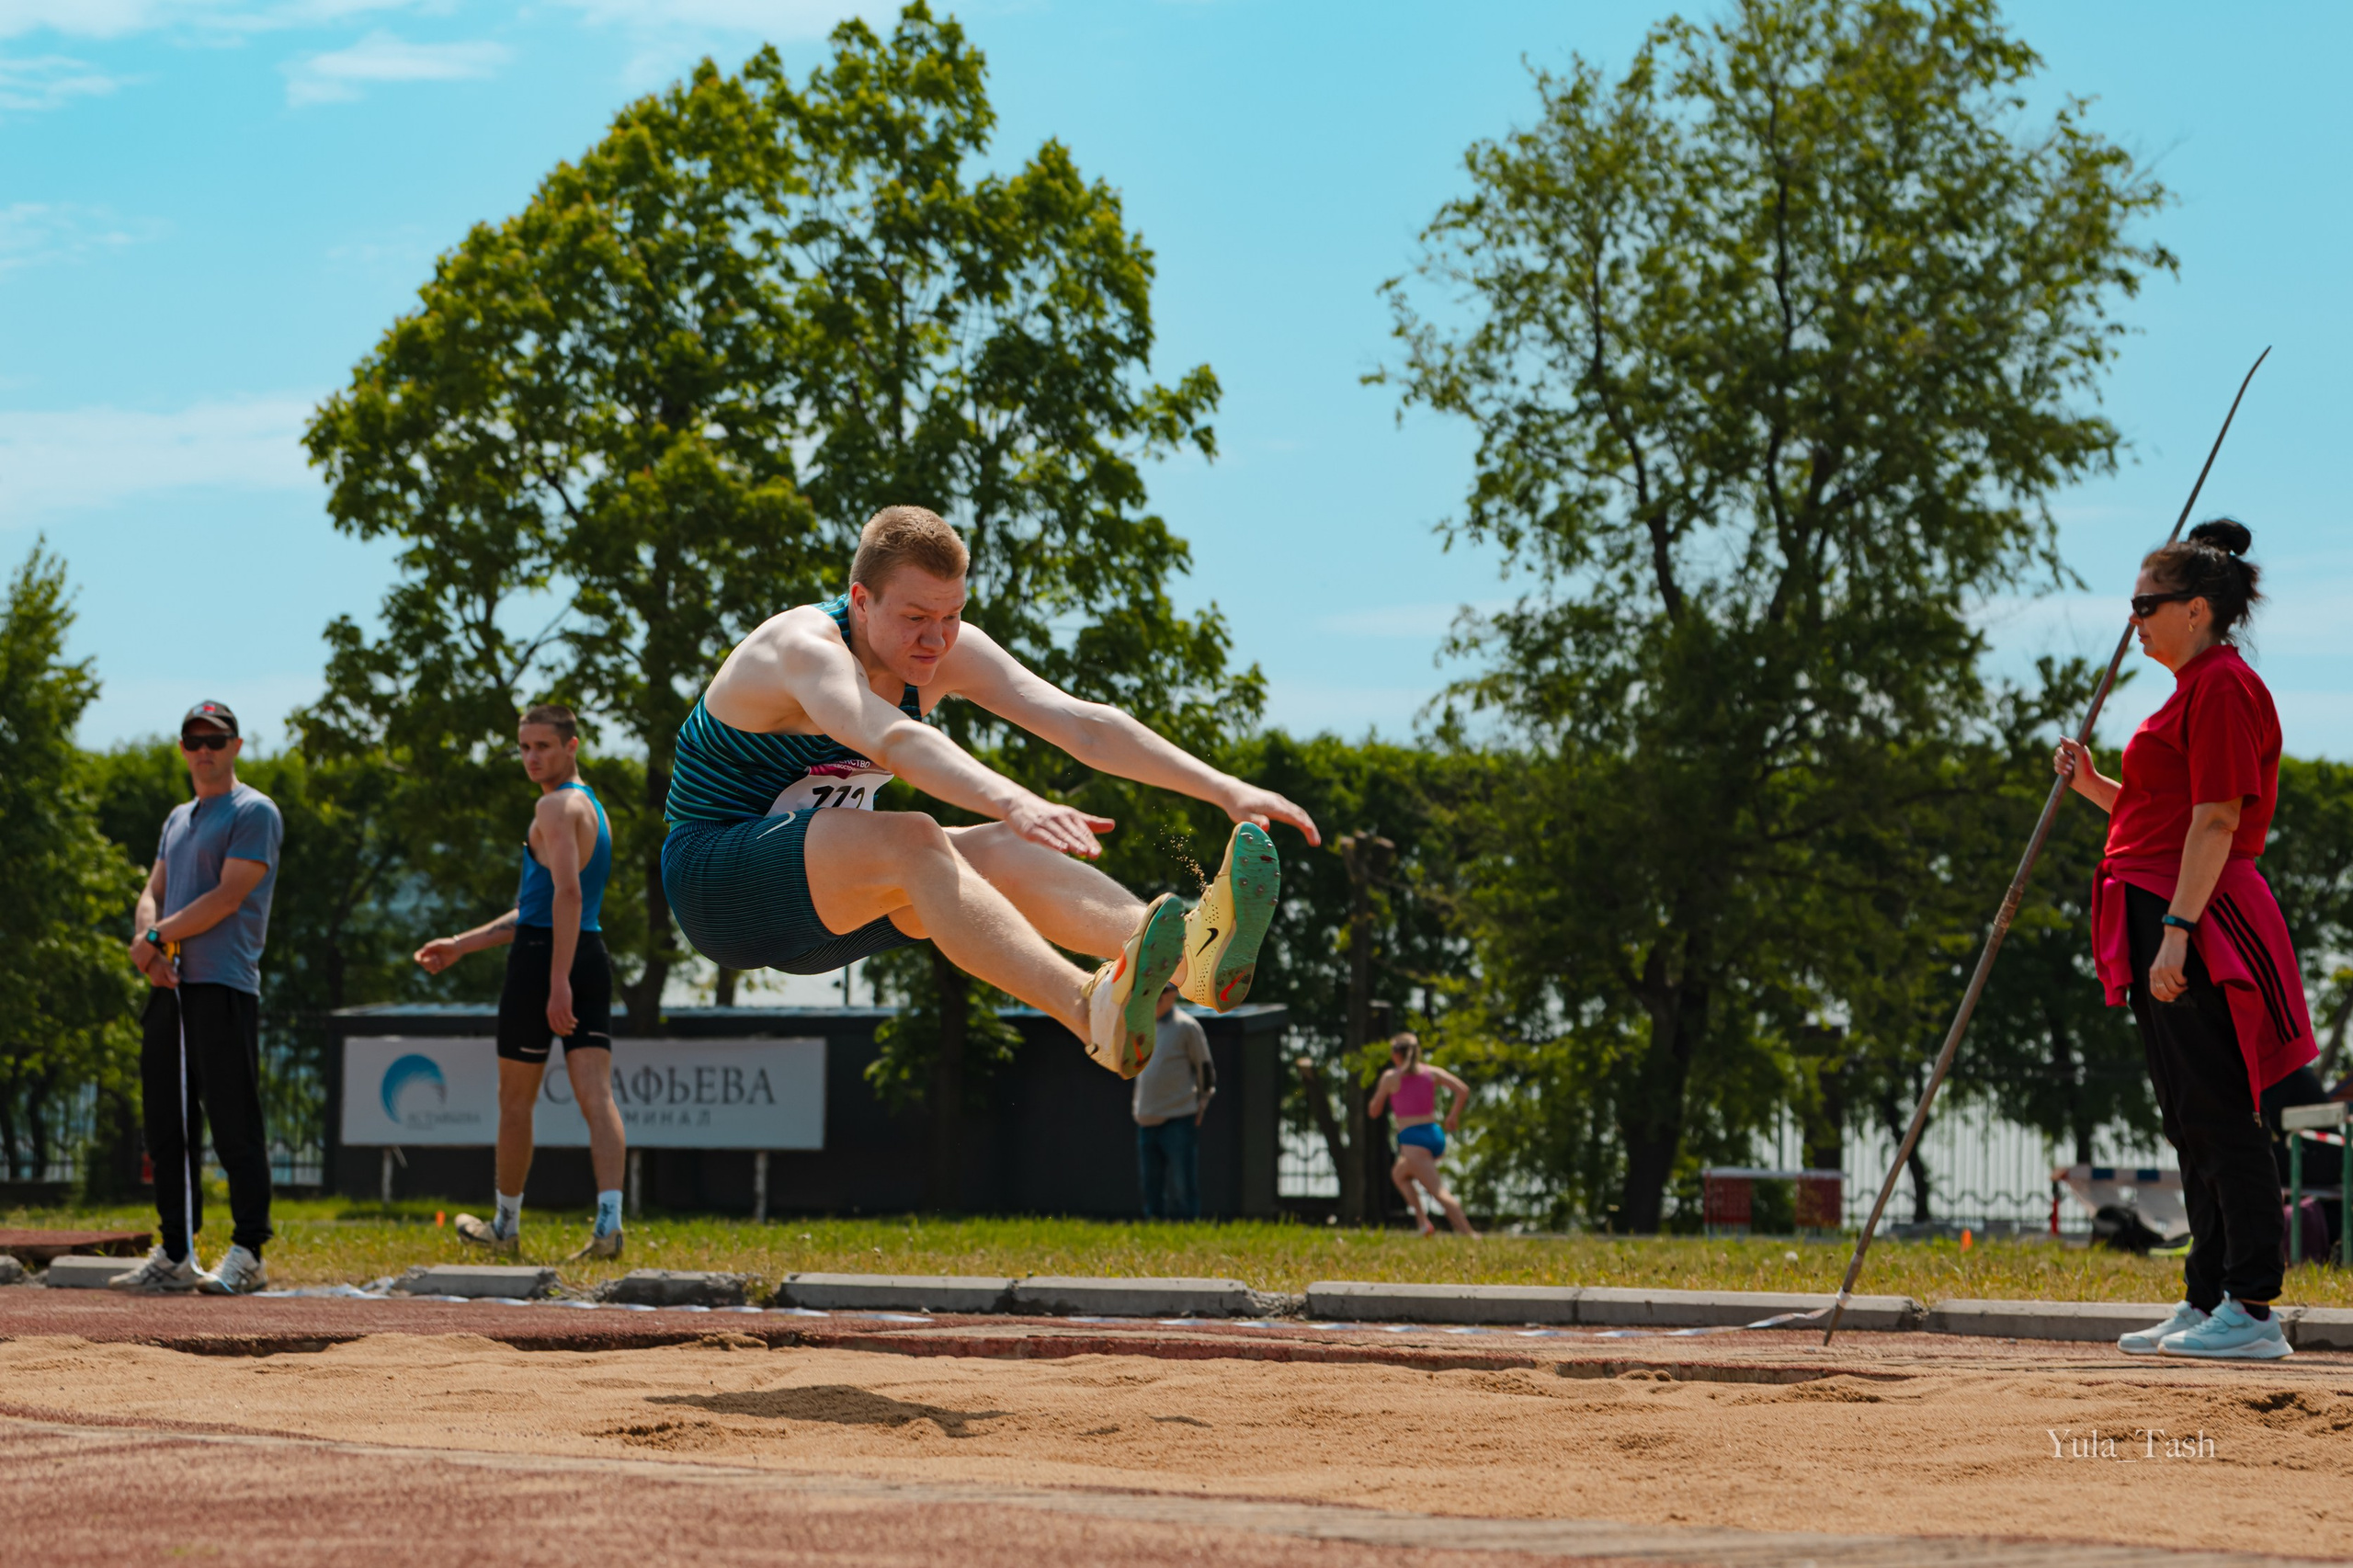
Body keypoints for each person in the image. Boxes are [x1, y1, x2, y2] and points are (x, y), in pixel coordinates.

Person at [659, 506, 1317, 1084]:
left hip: (823, 913)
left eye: (952, 616)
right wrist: (1015, 800)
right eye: (915, 617)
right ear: (861, 600)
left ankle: (1194, 960)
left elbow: (1080, 724)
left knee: (996, 853)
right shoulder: (803, 650)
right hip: (715, 886)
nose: (936, 640)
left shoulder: (941, 652)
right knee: (919, 836)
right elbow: (896, 743)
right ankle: (1091, 1010)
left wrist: (1224, 787)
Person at [2055, 519, 2313, 1361]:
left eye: (2146, 604)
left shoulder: (2226, 687)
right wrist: (2094, 783)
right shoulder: (2187, 691)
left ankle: (2253, 1307)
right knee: (2188, 1118)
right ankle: (2207, 1298)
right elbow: (2157, 817)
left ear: (2196, 610)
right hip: (2158, 909)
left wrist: (2176, 933)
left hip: (2196, 920)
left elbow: (2216, 819)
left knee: (2222, 1114)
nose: (2134, 619)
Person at [413, 705, 627, 1260]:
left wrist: (557, 982)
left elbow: (566, 898)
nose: (532, 758)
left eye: (544, 747)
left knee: (515, 1103)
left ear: (571, 745)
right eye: (525, 747)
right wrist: (461, 945)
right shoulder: (594, 809)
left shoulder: (553, 807)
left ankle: (506, 1228)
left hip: (547, 962)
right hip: (587, 951)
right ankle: (609, 1226)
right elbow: (532, 909)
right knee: (597, 1098)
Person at [111, 701, 284, 1296]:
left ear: (236, 745)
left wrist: (159, 937)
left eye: (216, 738)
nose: (204, 748)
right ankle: (176, 1250)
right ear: (183, 748)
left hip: (222, 984)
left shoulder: (253, 811)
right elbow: (152, 889)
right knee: (165, 1124)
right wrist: (147, 942)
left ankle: (249, 1250)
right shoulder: (178, 817)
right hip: (170, 987)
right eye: (194, 739)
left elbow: (228, 896)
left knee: (233, 1120)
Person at [1368, 1031, 1473, 1237]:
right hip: (1434, 1134)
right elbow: (1463, 1090)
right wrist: (1452, 1117)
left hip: (1412, 1138)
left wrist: (1377, 1100)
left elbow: (1374, 1111)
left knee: (1438, 1191)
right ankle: (1423, 1224)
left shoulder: (1391, 1077)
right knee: (1399, 1174)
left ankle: (1469, 1233)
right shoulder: (1432, 1072)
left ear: (1396, 1053)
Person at [1133, 983, 1215, 1219]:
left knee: (1182, 1185)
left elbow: (1205, 1068)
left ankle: (1187, 1232)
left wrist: (1203, 1102)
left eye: (1163, 989)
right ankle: (1154, 1231)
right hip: (1146, 1118)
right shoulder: (1141, 1024)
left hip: (1179, 1117)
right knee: (1151, 1186)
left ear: (1174, 995)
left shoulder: (1187, 1027)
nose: (1157, 995)